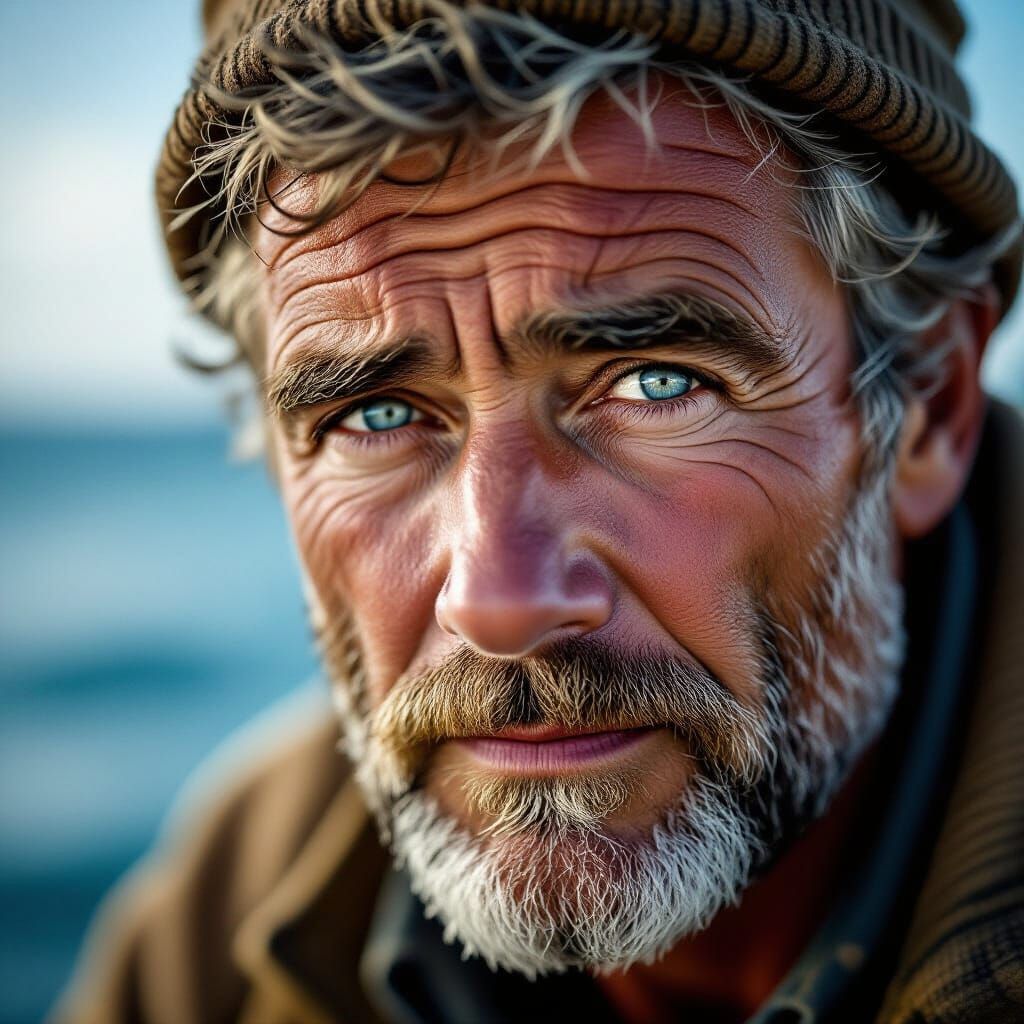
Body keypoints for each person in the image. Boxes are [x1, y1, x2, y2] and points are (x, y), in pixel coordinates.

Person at [56, 1, 1024, 1021]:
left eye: (655, 384)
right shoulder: (226, 906)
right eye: (375, 414)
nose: (499, 601)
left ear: (925, 407)